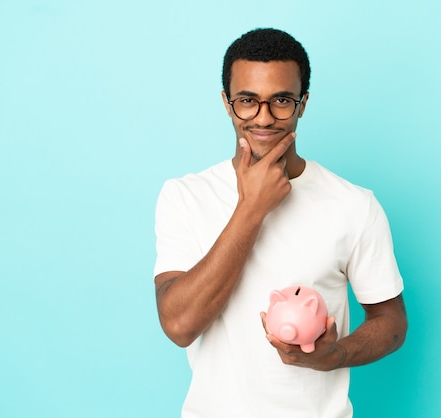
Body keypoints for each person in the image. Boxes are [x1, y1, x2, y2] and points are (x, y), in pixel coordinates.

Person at [153, 28, 407, 418]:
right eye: (247, 101)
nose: (264, 118)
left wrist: (335, 355)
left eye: (282, 101)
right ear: (227, 103)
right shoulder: (186, 196)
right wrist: (251, 208)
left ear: (302, 104)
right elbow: (179, 325)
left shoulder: (354, 205)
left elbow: (390, 321)